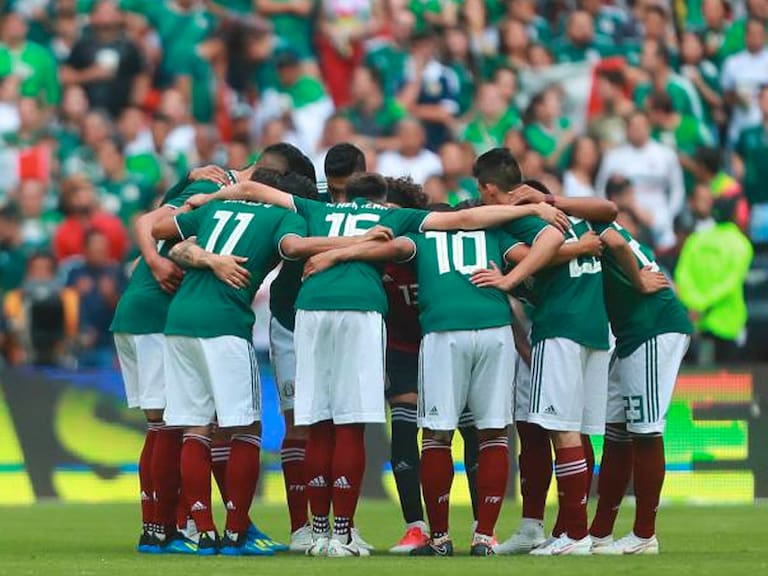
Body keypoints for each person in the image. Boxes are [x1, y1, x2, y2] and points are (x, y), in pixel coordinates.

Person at [188, 170, 569, 557]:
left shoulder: (316, 208)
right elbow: (465, 219)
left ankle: (324, 534)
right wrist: (537, 205)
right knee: (364, 425)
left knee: (318, 422)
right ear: (382, 198)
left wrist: (206, 199)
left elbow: (255, 191)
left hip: (313, 310)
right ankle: (356, 535)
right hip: (376, 310)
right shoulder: (396, 217)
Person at [151, 168, 366, 556]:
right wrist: (356, 239)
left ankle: (204, 531)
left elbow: (166, 235)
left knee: (196, 428)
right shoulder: (284, 216)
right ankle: (235, 533)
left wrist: (208, 257)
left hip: (179, 324)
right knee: (245, 427)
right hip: (224, 324)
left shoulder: (216, 211)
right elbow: (296, 247)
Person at [471, 148, 616, 556]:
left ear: (488, 188)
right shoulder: (578, 219)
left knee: (561, 430)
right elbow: (608, 209)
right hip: (594, 330)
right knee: (576, 430)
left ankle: (573, 535)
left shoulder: (520, 225)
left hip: (560, 327)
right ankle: (575, 533)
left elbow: (528, 256)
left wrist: (508, 278)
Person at [109, 165, 232, 553]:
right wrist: (160, 260)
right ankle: (159, 528)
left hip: (136, 314)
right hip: (154, 319)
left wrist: (185, 177)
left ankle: (164, 525)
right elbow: (148, 219)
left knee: (162, 426)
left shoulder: (187, 193)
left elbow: (150, 219)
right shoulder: (204, 203)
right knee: (167, 425)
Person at [588, 221, 692, 555]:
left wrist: (637, 281)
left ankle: (645, 534)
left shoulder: (580, 222)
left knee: (645, 431)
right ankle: (600, 533)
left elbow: (615, 241)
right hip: (630, 334)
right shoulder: (586, 217)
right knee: (616, 430)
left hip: (651, 327)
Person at [675, 197, 754, 364]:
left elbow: (682, 276)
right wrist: (706, 304)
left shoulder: (695, 240)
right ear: (735, 214)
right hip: (727, 323)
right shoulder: (741, 244)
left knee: (694, 383)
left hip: (695, 321)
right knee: (728, 385)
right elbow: (730, 282)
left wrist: (695, 304)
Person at [595, 111, 685, 252]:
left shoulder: (665, 154)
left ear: (648, 127)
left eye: (640, 126)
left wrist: (669, 214)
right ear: (626, 130)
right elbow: (600, 190)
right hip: (623, 218)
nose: (637, 130)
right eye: (633, 127)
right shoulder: (613, 156)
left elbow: (677, 189)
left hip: (658, 217)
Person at [61, 0, 147, 117]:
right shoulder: (82, 44)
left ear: (119, 16)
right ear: (93, 16)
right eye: (102, 12)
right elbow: (65, 76)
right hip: (86, 114)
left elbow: (141, 77)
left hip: (120, 113)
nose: (106, 16)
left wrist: (133, 107)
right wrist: (90, 74)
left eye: (110, 11)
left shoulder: (129, 46)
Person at [66, 230, 125, 368]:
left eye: (102, 249)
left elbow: (126, 310)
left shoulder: (116, 272)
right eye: (95, 249)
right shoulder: (75, 273)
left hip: (108, 344)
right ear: (85, 250)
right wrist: (75, 293)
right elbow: (65, 305)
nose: (99, 252)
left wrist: (111, 296)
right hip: (79, 343)